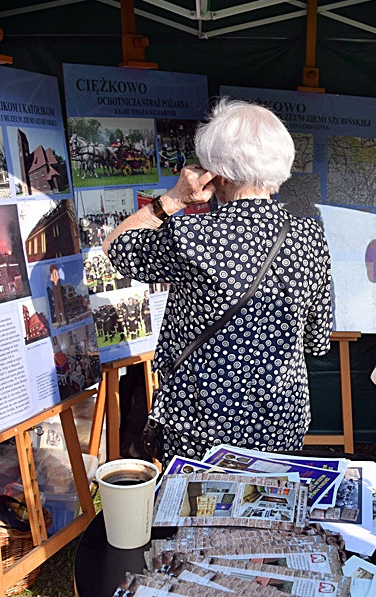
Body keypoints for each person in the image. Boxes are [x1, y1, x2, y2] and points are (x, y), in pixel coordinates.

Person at [102, 99, 333, 461]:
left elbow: (115, 246)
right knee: (271, 512)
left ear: (218, 171)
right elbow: (316, 339)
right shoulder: (309, 236)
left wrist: (175, 198)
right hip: (281, 418)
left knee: (198, 513)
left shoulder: (191, 234)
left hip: (201, 423)